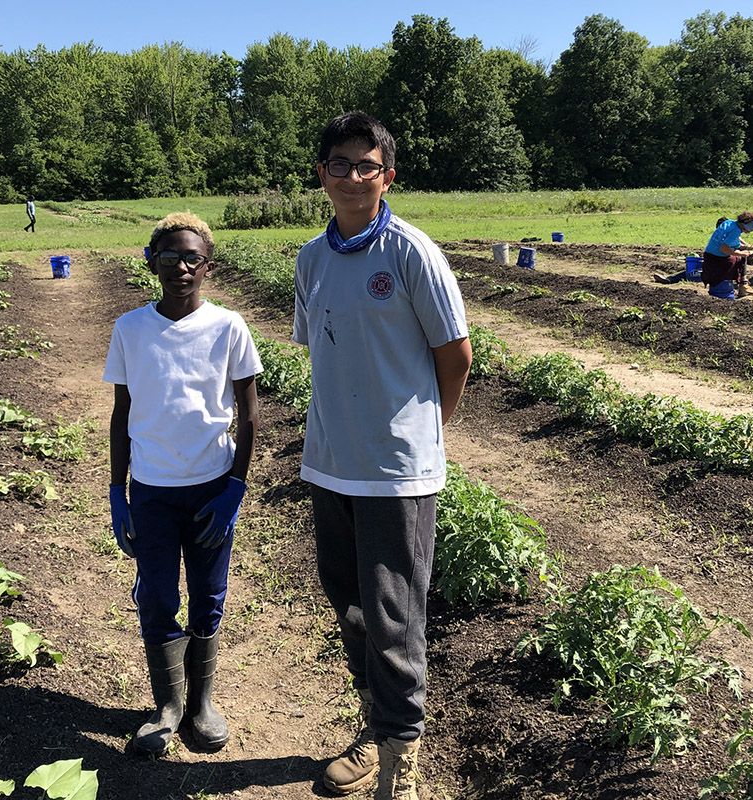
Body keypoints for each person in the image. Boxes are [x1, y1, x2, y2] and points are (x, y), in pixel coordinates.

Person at [293, 112, 471, 800]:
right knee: (351, 607)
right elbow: (323, 349)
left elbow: (455, 356)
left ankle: (402, 768)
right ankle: (376, 728)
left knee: (395, 617)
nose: (352, 176)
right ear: (323, 175)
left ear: (387, 176)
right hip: (330, 463)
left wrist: (425, 431)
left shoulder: (411, 252)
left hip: (396, 471)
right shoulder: (312, 258)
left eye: (366, 166)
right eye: (339, 164)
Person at [104, 212, 262, 757]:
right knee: (156, 595)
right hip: (151, 491)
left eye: (192, 257)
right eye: (169, 257)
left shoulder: (228, 327)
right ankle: (167, 705)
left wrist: (234, 488)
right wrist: (116, 491)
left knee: (209, 596)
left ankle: (201, 703)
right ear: (152, 263)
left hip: (210, 487)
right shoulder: (130, 329)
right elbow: (121, 413)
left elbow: (248, 416)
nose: (181, 267)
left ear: (208, 266)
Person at [701, 211, 753, 299]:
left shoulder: (730, 223)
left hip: (710, 253)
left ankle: (743, 285)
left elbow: (732, 240)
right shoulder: (735, 230)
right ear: (745, 227)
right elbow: (724, 248)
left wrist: (747, 247)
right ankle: (743, 285)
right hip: (717, 257)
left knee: (742, 256)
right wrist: (740, 253)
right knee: (739, 258)